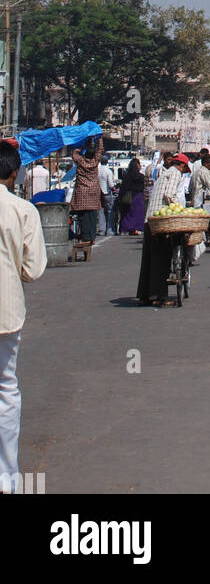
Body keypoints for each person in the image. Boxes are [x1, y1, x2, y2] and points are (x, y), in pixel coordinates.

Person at [0, 140, 47, 486]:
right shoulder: (22, 210)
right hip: (6, 310)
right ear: (14, 173)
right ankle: (7, 476)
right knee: (5, 389)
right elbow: (33, 269)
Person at [137, 154, 188, 307]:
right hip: (161, 221)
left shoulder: (163, 173)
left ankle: (145, 294)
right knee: (161, 258)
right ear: (182, 166)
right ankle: (158, 295)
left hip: (150, 219)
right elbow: (169, 195)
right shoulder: (175, 173)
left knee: (148, 259)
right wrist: (179, 212)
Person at [69, 137, 103, 246]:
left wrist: (83, 144)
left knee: (83, 217)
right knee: (92, 216)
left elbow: (74, 153)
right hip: (93, 192)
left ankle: (85, 237)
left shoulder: (80, 161)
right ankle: (92, 237)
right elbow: (100, 150)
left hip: (82, 193)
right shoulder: (95, 161)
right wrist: (99, 139)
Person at [116, 158, 146, 235]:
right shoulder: (141, 176)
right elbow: (142, 187)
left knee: (127, 214)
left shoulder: (127, 176)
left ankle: (125, 229)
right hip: (137, 197)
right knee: (137, 214)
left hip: (127, 197)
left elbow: (123, 188)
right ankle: (136, 229)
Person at [96, 152, 116, 236]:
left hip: (98, 194)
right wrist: (115, 189)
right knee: (110, 212)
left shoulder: (96, 171)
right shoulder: (108, 171)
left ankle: (101, 230)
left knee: (100, 212)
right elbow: (111, 184)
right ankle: (109, 230)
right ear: (107, 161)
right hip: (107, 193)